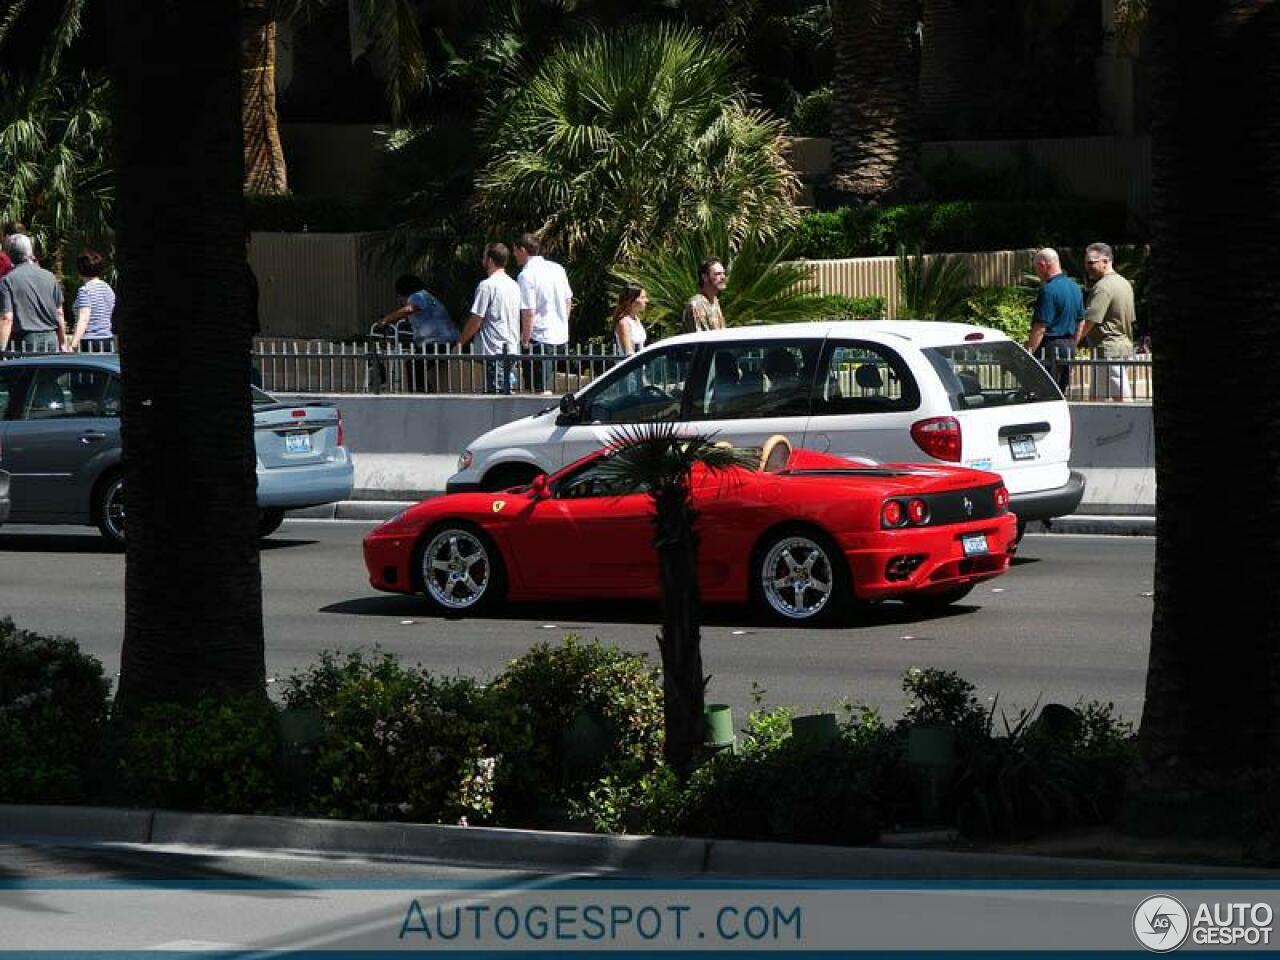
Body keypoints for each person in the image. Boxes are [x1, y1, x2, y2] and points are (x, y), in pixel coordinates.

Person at [376, 274, 458, 392]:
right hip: (446, 341)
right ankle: (425, 394)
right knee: (416, 363)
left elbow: (409, 309)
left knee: (413, 364)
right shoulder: (428, 297)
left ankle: (422, 398)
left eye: (398, 297)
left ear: (402, 294)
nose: (399, 301)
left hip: (438, 342)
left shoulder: (417, 296)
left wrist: (386, 320)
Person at [514, 233, 573, 395]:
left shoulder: (525, 275)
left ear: (523, 250)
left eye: (515, 251)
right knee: (546, 387)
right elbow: (568, 301)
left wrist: (525, 340)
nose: (514, 255)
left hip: (539, 337)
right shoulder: (557, 268)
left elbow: (528, 312)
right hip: (559, 336)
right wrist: (562, 323)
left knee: (537, 391)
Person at [459, 242, 522, 394]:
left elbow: (476, 319)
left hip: (495, 349)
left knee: (497, 397)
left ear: (490, 261)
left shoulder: (486, 286)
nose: (482, 260)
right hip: (511, 347)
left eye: (484, 257)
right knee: (506, 392)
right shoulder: (514, 285)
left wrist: (460, 342)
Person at [1076, 242, 1136, 401]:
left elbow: (1090, 320)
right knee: (1097, 399)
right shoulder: (1124, 283)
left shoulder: (1103, 287)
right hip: (1123, 345)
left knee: (1121, 398)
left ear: (1106, 261)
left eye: (1091, 263)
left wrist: (1074, 341)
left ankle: (1130, 425)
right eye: (1086, 263)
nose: (1088, 267)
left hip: (1108, 349)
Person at [1023, 248, 1083, 395]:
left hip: (1050, 348)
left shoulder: (1048, 290)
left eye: (1036, 268)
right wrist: (1073, 344)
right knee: (1061, 392)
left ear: (1043, 265)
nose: (1036, 273)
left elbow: (1040, 327)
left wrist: (1028, 353)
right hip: (1069, 346)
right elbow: (1081, 321)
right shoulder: (1075, 287)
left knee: (1045, 394)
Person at [0, 233, 65, 354]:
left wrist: (2, 348)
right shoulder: (49, 276)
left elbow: (6, 318)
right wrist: (63, 342)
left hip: (25, 341)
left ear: (10, 255)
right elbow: (59, 313)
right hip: (51, 338)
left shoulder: (7, 280)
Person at [69, 249, 117, 352]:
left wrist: (73, 345)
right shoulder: (108, 289)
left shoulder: (85, 290)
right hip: (107, 339)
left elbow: (84, 319)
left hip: (90, 341)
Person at [681, 258, 727, 333]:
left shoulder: (715, 301)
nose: (723, 277)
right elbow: (702, 340)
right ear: (705, 277)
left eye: (723, 273)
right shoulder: (696, 305)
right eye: (718, 274)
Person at [612, 284, 649, 356]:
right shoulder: (624, 323)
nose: (646, 300)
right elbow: (629, 353)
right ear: (631, 300)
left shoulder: (636, 320)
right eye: (642, 297)